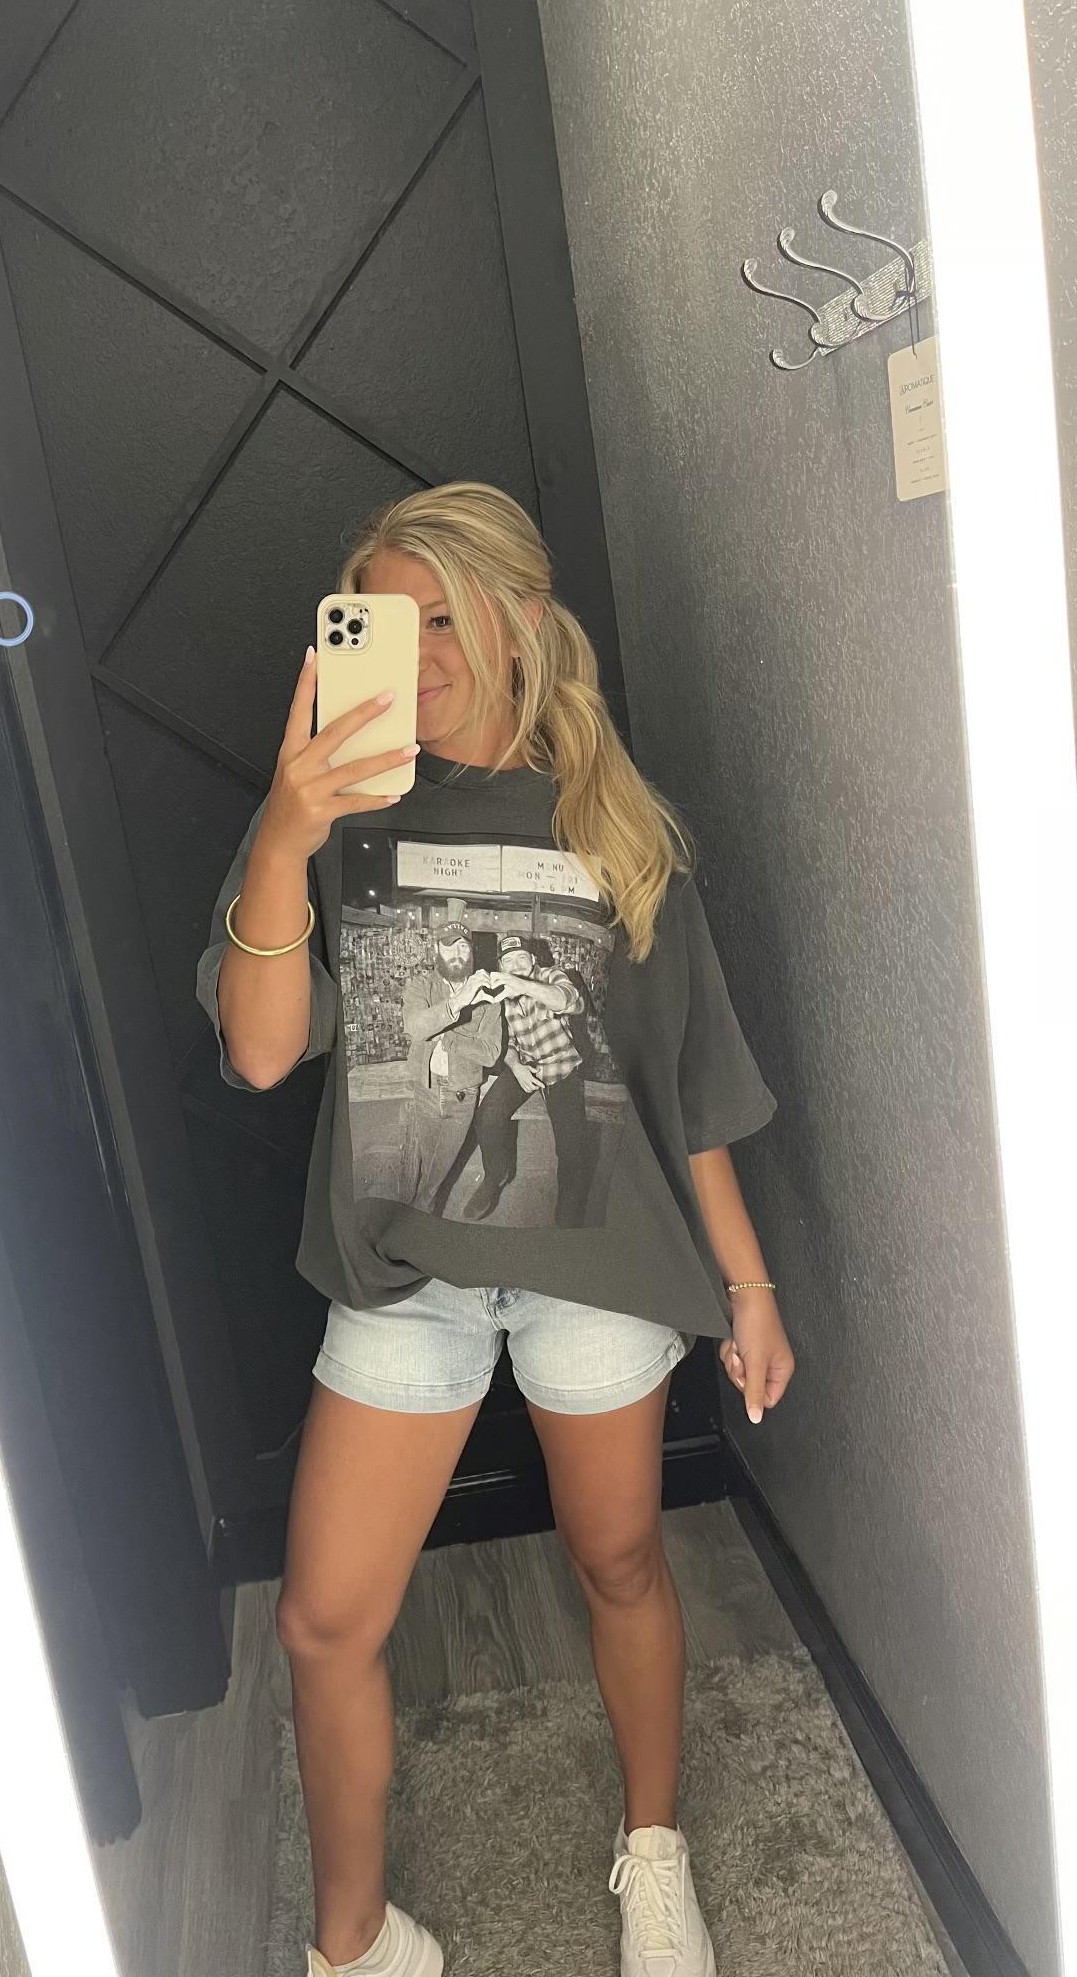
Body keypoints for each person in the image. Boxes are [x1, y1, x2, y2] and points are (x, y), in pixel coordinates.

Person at [195, 482, 795, 1977]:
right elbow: (261, 1052)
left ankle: (654, 1852)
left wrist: (749, 1285)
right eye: (384, 623)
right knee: (324, 1626)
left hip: (596, 1265)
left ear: (518, 621)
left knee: (622, 1565)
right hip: (407, 1274)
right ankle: (355, 1946)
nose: (415, 656)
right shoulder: (330, 815)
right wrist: (284, 832)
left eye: (441, 621)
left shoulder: (620, 827)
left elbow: (687, 1090)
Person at [462, 931, 599, 1227]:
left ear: (533, 959)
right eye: (508, 961)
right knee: (487, 1116)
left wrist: (521, 985)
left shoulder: (552, 976)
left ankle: (567, 1224)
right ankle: (496, 1175)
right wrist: (515, 1066)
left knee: (571, 1149)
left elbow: (570, 1001)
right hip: (525, 1066)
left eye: (521, 958)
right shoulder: (501, 996)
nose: (515, 965)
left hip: (562, 1067)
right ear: (501, 966)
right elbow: (506, 1043)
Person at [398, 923, 503, 1211]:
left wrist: (448, 1039)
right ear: (436, 950)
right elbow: (416, 1028)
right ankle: (426, 1217)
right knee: (432, 1166)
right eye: (449, 946)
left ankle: (416, 1217)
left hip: (462, 1094)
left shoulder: (490, 996)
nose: (457, 953)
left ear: (472, 951)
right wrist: (460, 1000)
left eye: (463, 946)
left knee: (435, 1178)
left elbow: (491, 1053)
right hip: (426, 1088)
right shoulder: (421, 985)